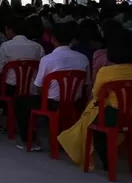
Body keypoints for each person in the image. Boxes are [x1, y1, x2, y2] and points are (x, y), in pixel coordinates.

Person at [58, 29, 132, 169]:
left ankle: (106, 160)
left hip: (114, 114)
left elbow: (96, 94)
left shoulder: (106, 72)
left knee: (92, 119)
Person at [14, 22, 90, 151]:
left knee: (21, 102)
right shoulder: (83, 58)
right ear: (72, 39)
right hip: (75, 102)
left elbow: (38, 86)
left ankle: (30, 141)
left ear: (53, 39)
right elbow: (87, 84)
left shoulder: (48, 59)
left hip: (51, 102)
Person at [0, 21, 44, 92]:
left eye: (6, 29)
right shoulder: (38, 47)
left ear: (11, 30)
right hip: (32, 89)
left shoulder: (5, 46)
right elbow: (42, 71)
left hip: (11, 89)